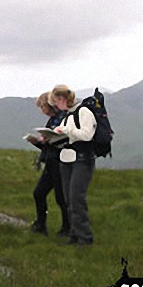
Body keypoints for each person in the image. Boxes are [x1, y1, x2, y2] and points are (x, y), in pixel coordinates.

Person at [52, 85, 97, 246]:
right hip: (67, 160)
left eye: (56, 102)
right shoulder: (67, 115)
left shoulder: (84, 112)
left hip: (82, 160)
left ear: (62, 99)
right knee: (68, 199)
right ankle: (74, 234)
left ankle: (85, 237)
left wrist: (65, 130)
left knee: (76, 198)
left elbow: (86, 135)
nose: (56, 106)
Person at [25, 92, 69, 237]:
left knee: (61, 197)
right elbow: (48, 146)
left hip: (59, 162)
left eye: (41, 107)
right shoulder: (52, 121)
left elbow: (63, 141)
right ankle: (41, 224)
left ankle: (67, 227)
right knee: (39, 193)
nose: (41, 110)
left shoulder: (63, 118)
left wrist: (48, 140)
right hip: (50, 162)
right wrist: (38, 142)